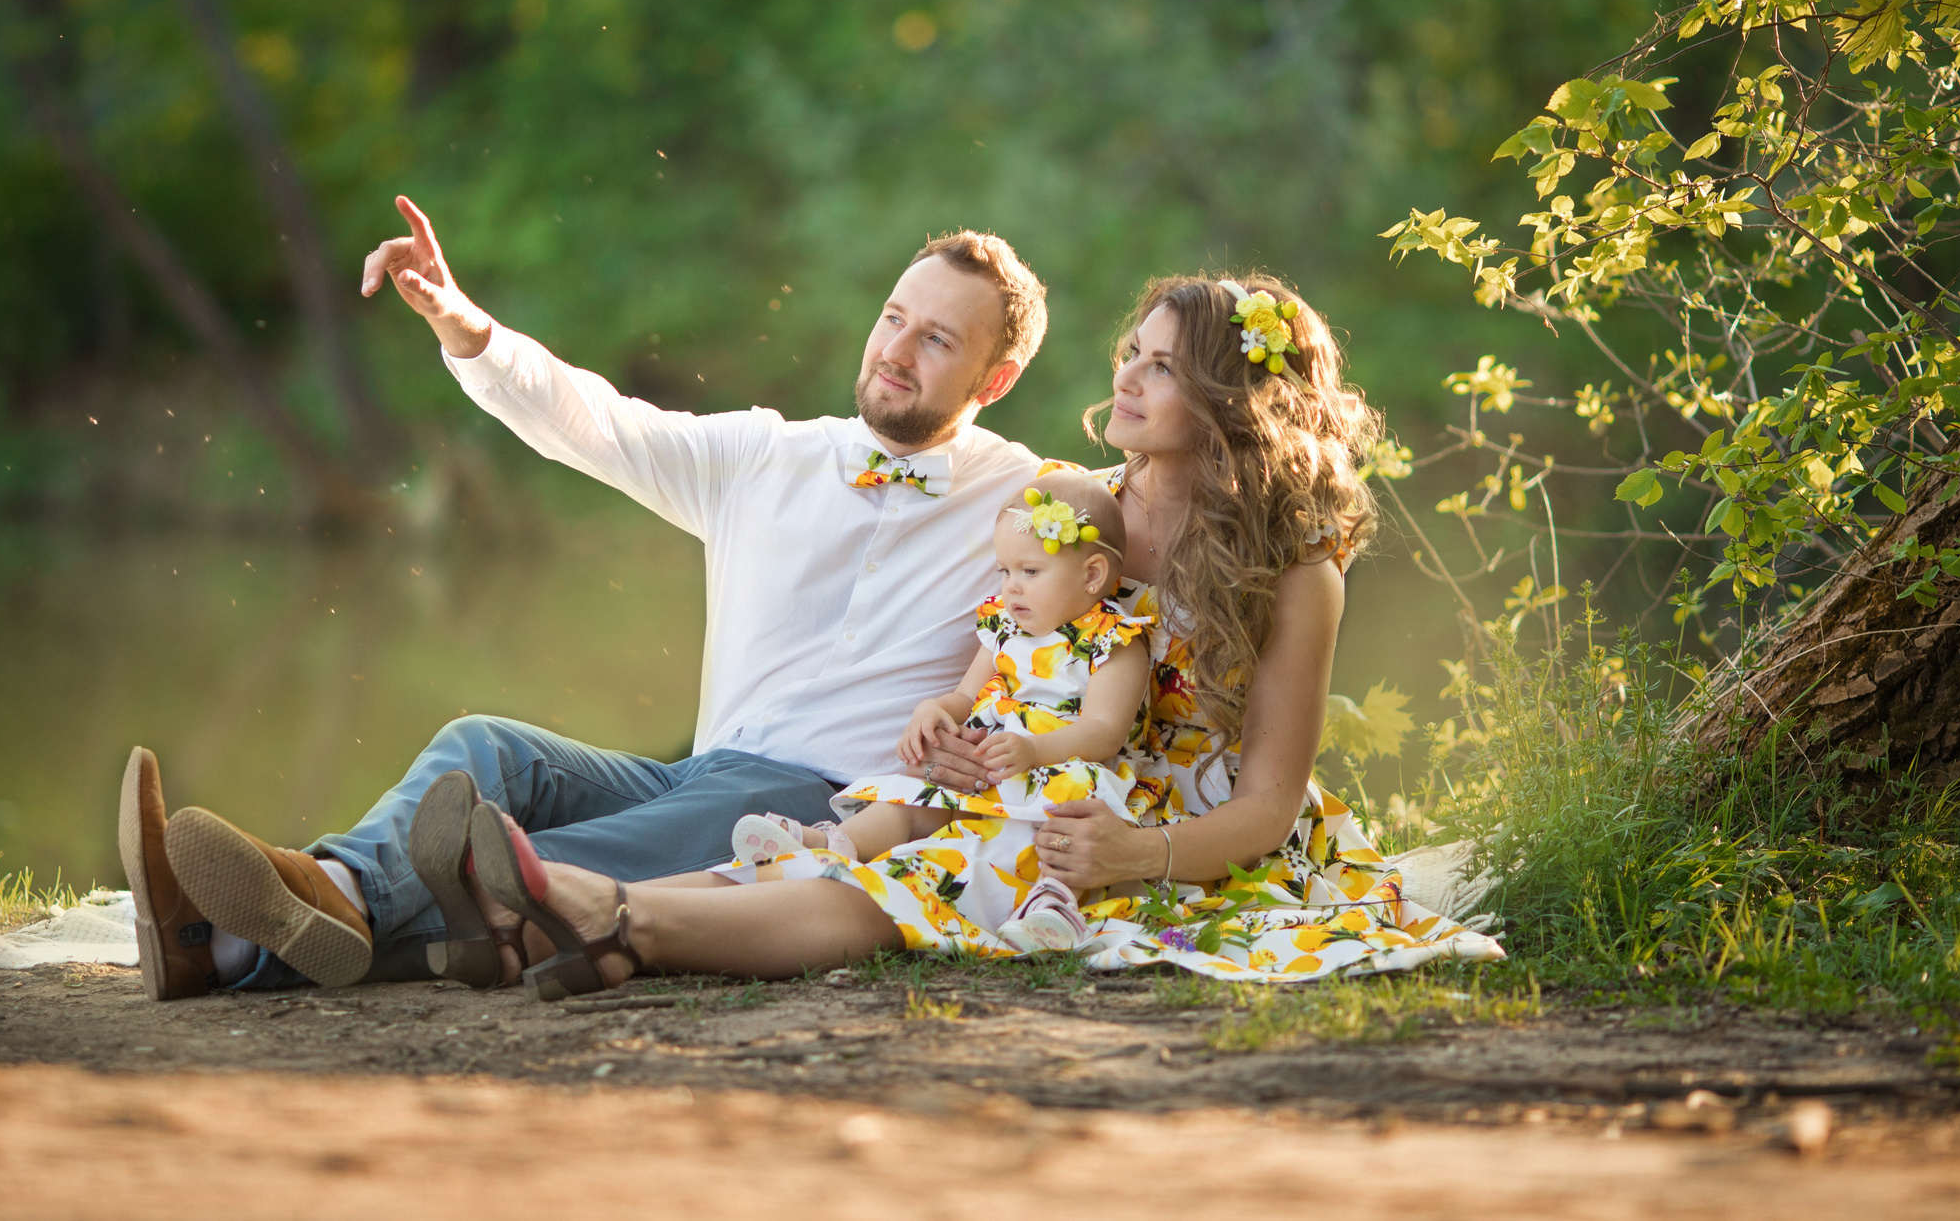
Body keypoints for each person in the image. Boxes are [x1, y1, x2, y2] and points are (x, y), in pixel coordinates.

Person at [447, 273, 1503, 994]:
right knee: (865, 827)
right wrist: (951, 722)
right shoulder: (1070, 509)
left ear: (1236, 402)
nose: (1124, 379)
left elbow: (1269, 805)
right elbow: (1000, 663)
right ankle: (573, 924)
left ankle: (620, 920)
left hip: (1180, 827)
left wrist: (1139, 850)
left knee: (929, 875)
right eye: (1130, 354)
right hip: (1033, 774)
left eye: (1163, 368)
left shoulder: (1295, 577)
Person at [117, 195, 1050, 997]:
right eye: (893, 317)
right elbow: (598, 423)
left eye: (937, 339)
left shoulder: (1033, 502)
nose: (897, 350)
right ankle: (319, 895)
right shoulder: (768, 454)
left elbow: (1157, 531)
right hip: (704, 768)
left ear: (995, 379)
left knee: (517, 869)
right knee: (487, 749)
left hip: (827, 804)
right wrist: (465, 327)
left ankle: (222, 939)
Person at [725, 468, 1157, 953]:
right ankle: (830, 844)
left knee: (1054, 826)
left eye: (1029, 572)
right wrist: (934, 710)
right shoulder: (1003, 627)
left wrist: (1034, 750)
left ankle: (1053, 902)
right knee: (911, 802)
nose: (1011, 587)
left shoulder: (1113, 641)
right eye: (1004, 571)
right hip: (990, 762)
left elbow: (1104, 731)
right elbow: (965, 695)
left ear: (1092, 575)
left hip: (1065, 767)